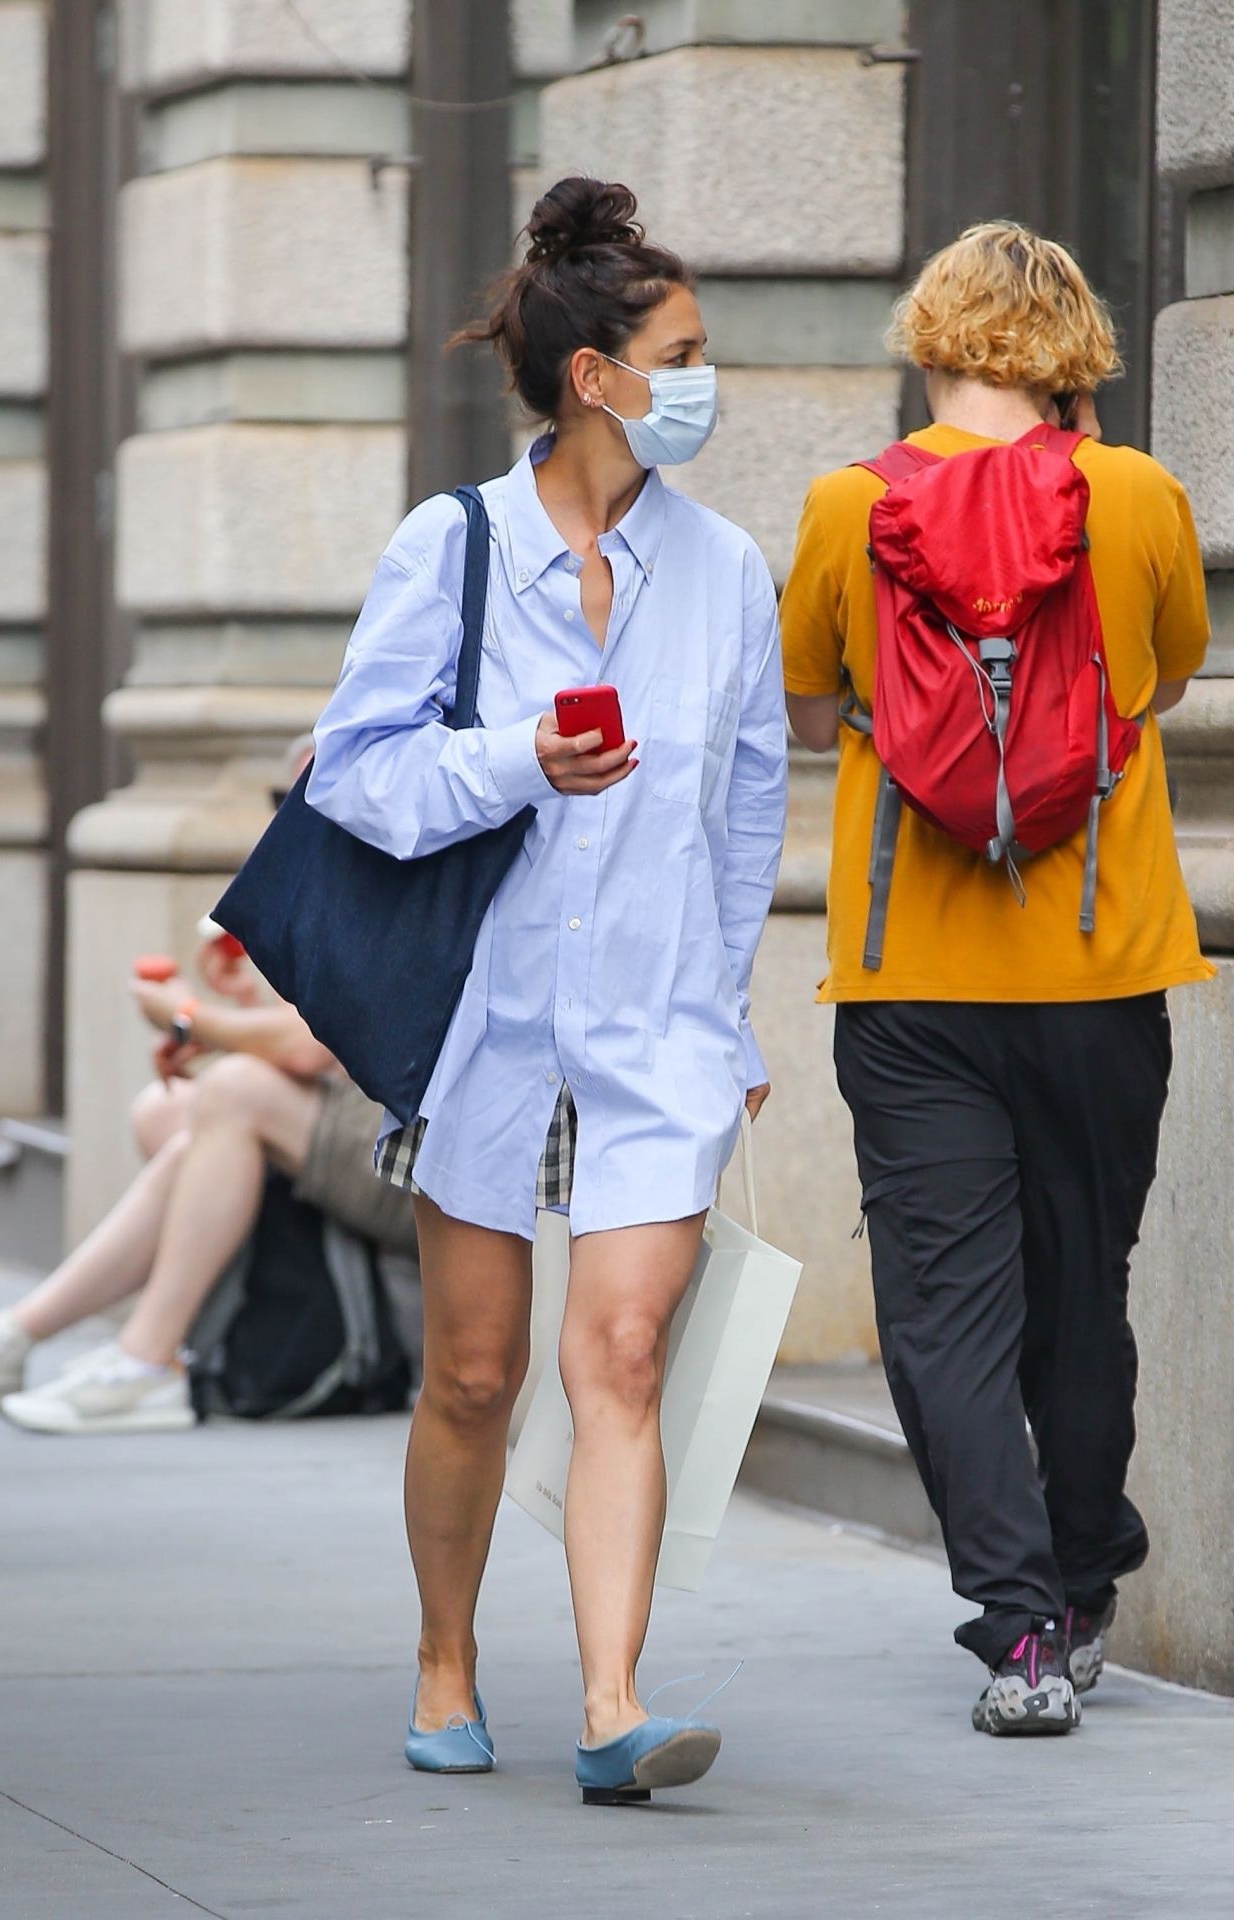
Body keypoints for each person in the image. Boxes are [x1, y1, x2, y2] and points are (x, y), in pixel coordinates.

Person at [307, 176, 786, 1801]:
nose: (709, 380)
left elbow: (746, 814)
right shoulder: (452, 549)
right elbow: (359, 778)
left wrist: (726, 1020)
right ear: (597, 375)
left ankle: (609, 1703)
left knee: (627, 1355)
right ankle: (446, 1658)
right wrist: (524, 760)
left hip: (657, 1035)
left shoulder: (727, 572)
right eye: (687, 350)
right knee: (476, 1371)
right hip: (484, 1029)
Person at [781, 221, 1212, 1736]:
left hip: (911, 982)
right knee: (1077, 1294)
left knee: (947, 1314)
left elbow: (813, 693)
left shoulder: (849, 505)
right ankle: (1089, 1579)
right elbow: (1162, 673)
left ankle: (1019, 1628)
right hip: (1102, 973)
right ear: (1076, 357)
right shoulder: (1139, 493)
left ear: (931, 340)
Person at [0, 807, 417, 1435]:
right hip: (366, 1127)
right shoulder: (341, 863)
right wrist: (227, 1018)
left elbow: (316, 1046)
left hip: (424, 1154)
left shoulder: (412, 856)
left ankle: (139, 1359)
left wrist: (191, 1018)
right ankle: (24, 1338)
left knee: (233, 1093)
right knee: (166, 1113)